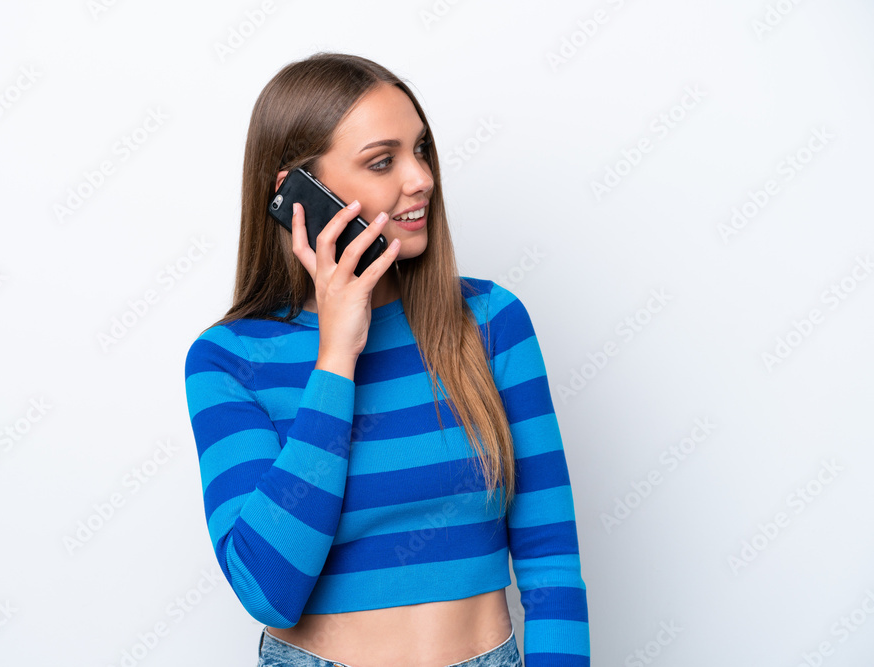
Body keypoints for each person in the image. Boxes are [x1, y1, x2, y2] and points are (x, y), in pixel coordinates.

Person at [184, 52, 590, 667]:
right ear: (297, 194)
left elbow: (552, 559)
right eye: (383, 161)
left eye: (420, 150)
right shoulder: (229, 360)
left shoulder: (490, 323)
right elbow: (270, 589)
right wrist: (336, 359)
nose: (421, 178)